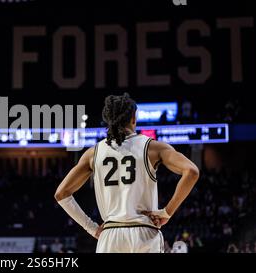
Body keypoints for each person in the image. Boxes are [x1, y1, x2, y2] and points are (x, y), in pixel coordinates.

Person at [55, 93, 199, 253]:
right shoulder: (153, 147)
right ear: (133, 119)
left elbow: (61, 194)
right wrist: (167, 212)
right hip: (144, 232)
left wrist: (92, 228)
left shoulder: (93, 153)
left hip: (110, 235)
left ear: (108, 120)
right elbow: (191, 171)